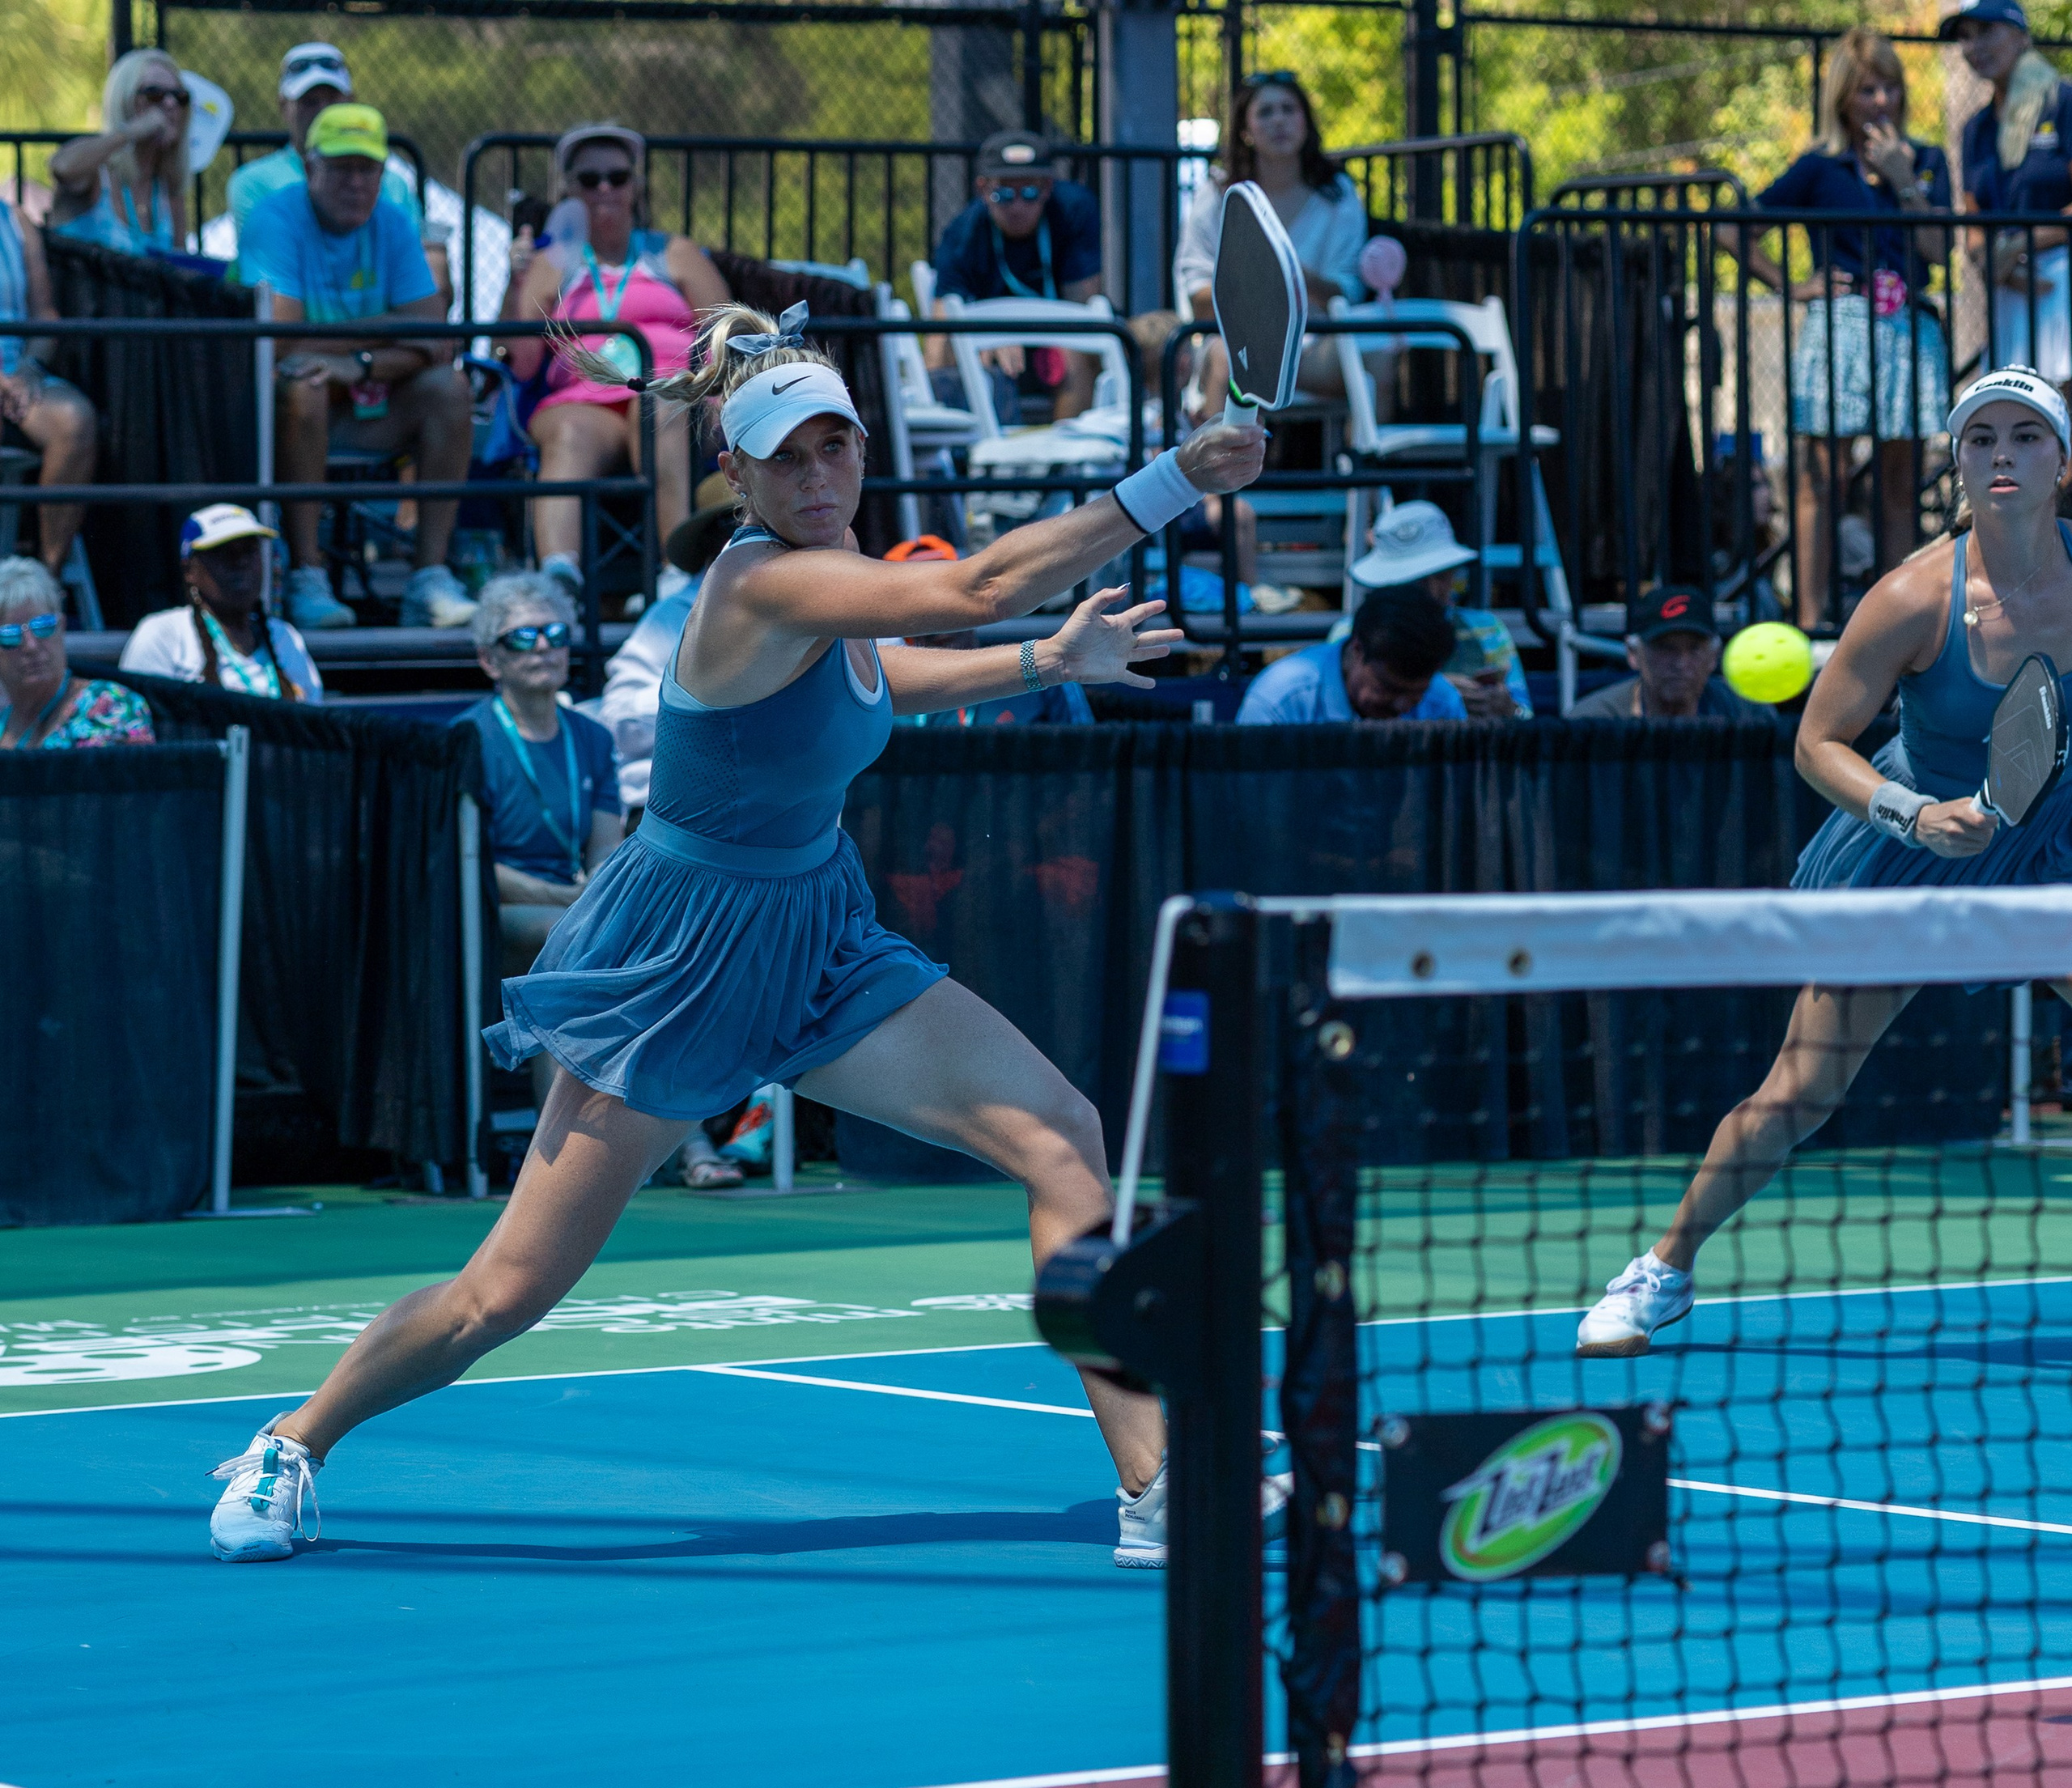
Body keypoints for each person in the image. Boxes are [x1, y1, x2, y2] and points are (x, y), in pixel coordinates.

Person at [205, 299, 1264, 1569]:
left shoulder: (840, 601)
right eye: (787, 456)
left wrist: (1045, 663)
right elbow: (976, 582)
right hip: (678, 959)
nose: (818, 475)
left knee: (1064, 1135)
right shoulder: (761, 581)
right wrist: (1171, 478)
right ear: (739, 472)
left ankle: (1154, 1485)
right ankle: (295, 1439)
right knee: (507, 1292)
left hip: (817, 932)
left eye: (837, 448)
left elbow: (886, 681)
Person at [1574, 367, 2072, 1357]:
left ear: (2062, 464)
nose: (2002, 455)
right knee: (1801, 1089)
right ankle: (1663, 1269)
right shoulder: (1911, 596)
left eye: (2026, 437)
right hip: (1906, 850)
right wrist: (1913, 813)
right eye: (1982, 439)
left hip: (2044, 843)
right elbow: (1816, 744)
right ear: (1958, 463)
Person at [1727, 28, 1951, 626]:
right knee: (1819, 476)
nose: (1881, 102)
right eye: (1867, 91)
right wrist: (1789, 286)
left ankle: (1897, 623)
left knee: (1900, 483)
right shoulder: (1818, 168)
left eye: (1891, 88)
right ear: (1843, 100)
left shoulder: (1928, 162)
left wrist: (1905, 180)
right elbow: (1732, 228)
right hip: (1839, 329)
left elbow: (1937, 249)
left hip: (1909, 328)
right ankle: (1809, 620)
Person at [239, 104, 476, 633]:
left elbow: (435, 337)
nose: (356, 182)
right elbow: (282, 342)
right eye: (342, 168)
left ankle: (429, 578)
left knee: (450, 387)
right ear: (310, 168)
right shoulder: (274, 218)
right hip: (276, 412)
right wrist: (392, 326)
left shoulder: (392, 220)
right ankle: (306, 576)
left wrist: (356, 362)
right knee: (304, 381)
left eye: (367, 169)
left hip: (367, 394)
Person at [501, 124, 729, 598]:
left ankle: (676, 577)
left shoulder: (676, 254)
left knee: (661, 407)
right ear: (567, 191)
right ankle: (557, 581)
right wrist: (515, 281)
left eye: (617, 176)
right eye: (589, 179)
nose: (604, 188)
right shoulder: (550, 264)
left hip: (676, 394)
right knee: (570, 433)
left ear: (635, 186)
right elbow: (521, 365)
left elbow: (730, 333)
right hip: (586, 400)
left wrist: (718, 392)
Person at [455, 572, 622, 1100]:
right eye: (524, 637)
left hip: (572, 908)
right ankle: (553, 1156)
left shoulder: (592, 737)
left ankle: (684, 1141)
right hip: (492, 909)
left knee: (664, 944)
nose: (544, 646)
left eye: (555, 633)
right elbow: (470, 861)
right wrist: (570, 901)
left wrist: (591, 897)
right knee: (570, 941)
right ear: (490, 660)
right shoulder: (465, 740)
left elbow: (606, 848)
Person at [1173, 71, 1368, 420]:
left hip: (1314, 349)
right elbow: (1196, 295)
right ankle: (1219, 472)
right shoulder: (1217, 193)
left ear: (1306, 122)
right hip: (1234, 348)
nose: (1279, 120)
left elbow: (1348, 292)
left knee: (1377, 358)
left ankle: (1366, 471)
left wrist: (1295, 278)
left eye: (1289, 109)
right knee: (1226, 359)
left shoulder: (1338, 194)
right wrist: (1256, 291)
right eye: (1265, 112)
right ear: (1245, 131)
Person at [226, 43, 447, 301]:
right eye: (309, 102)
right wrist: (389, 328)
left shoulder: (395, 187)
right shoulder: (252, 184)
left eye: (332, 100)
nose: (323, 111)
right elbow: (278, 293)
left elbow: (422, 293)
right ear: (284, 107)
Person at [928, 130, 1104, 424]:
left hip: (1058, 347)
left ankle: (1063, 459)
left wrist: (1023, 332)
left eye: (1030, 193)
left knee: (1079, 351)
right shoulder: (962, 234)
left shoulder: (1074, 210)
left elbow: (1083, 311)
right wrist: (991, 337)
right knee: (951, 352)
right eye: (1004, 194)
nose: (1018, 206)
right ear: (983, 190)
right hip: (990, 353)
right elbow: (940, 330)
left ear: (1048, 188)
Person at [1947, 2, 2072, 397]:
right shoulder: (1975, 129)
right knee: (2017, 408)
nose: (1973, 46)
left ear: (2021, 35)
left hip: (2061, 282)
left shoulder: (2063, 102)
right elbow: (1973, 219)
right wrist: (1989, 260)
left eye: (1986, 31)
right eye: (1965, 36)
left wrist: (2022, 242)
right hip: (2008, 289)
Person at [119, 504, 323, 701]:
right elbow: (138, 728)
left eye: (249, 550)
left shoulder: (285, 638)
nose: (240, 562)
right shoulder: (163, 634)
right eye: (223, 552)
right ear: (190, 569)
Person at [1349, 499, 1530, 718]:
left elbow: (1526, 718)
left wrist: (1507, 709)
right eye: (1414, 581)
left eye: (1442, 575)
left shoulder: (1488, 628)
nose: (1432, 591)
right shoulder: (1351, 633)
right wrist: (1437, 694)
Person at [888, 537, 1096, 725]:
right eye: (920, 604)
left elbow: (1086, 756)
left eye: (949, 594)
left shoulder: (1044, 669)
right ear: (893, 619)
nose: (939, 615)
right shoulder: (884, 700)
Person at [0, 195, 96, 584]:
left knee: (75, 421)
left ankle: (44, 581)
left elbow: (44, 317)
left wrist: (27, 368)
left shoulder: (16, 221)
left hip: (16, 371)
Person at [1237, 585, 1467, 724]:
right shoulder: (1280, 702)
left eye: (1417, 694)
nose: (1401, 706)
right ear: (1358, 649)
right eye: (1389, 689)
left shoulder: (1443, 702)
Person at [0, 557, 152, 748]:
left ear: (62, 627)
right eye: (9, 635)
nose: (31, 646)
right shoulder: (3, 719)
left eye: (43, 626)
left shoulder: (108, 704)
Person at [48, 49, 188, 256]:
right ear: (125, 100)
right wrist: (133, 130)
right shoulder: (98, 175)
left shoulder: (168, 188)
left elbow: (181, 272)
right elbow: (61, 167)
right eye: (155, 95)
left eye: (179, 96)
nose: (170, 103)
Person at [1565, 586, 1768, 720]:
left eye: (1694, 649)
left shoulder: (1747, 715)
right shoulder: (1594, 721)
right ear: (1634, 654)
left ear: (1714, 657)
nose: (1681, 663)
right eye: (1665, 648)